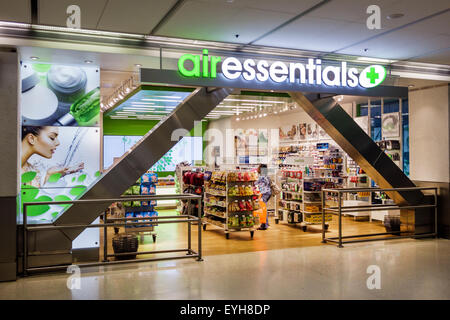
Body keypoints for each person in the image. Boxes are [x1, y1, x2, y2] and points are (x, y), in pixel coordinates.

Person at [254, 164, 272, 230]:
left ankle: (264, 225)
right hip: (268, 193)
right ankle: (266, 223)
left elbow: (256, 183)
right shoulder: (266, 175)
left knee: (263, 209)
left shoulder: (261, 177)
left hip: (264, 194)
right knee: (264, 208)